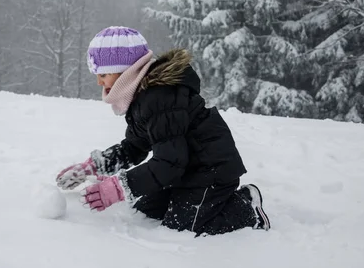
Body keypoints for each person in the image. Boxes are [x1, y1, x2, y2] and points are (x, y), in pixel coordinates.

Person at [55, 26, 270, 236]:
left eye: (104, 74)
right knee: (146, 211)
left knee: (182, 226)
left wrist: (119, 187)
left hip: (210, 171)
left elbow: (169, 163)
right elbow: (134, 147)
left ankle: (246, 207)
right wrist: (94, 166)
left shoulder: (159, 98)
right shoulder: (143, 97)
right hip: (184, 168)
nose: (99, 81)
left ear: (126, 71)